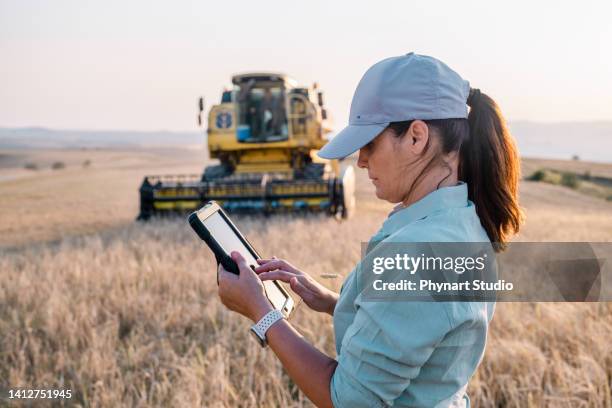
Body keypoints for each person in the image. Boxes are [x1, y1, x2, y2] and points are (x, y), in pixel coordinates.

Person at [216, 52, 522, 407]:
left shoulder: (418, 252)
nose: (360, 161)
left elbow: (347, 399)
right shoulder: (463, 221)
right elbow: (420, 330)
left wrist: (261, 312)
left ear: (416, 137)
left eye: (369, 144)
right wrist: (336, 302)